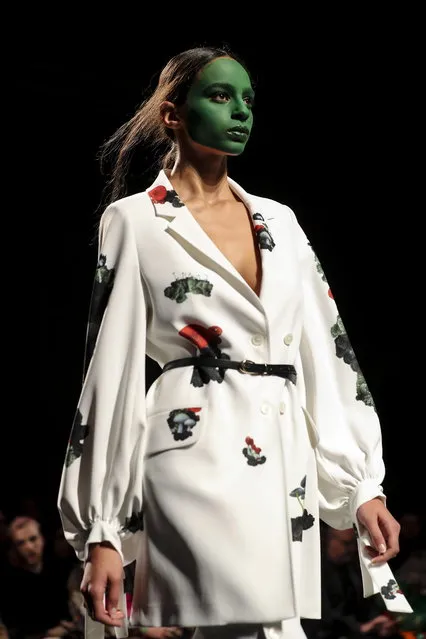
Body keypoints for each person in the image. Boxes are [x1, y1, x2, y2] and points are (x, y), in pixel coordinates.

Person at [57, 45, 409, 639]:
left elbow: (324, 350)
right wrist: (103, 531)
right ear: (173, 113)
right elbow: (110, 372)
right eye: (220, 96)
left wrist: (359, 487)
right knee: (240, 623)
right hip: (191, 448)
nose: (241, 111)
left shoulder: (281, 221)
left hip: (284, 453)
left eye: (248, 99)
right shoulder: (135, 221)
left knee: (273, 627)